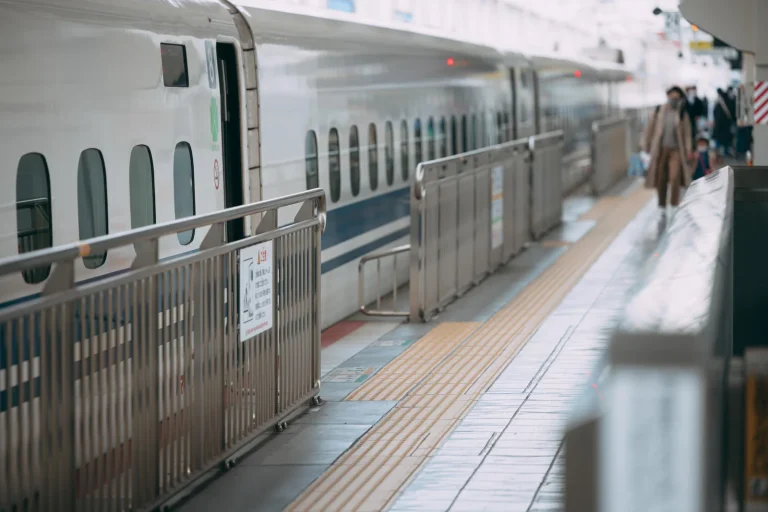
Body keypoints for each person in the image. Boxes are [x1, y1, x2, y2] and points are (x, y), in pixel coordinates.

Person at [642, 86, 693, 214]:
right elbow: (650, 128)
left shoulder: (682, 114)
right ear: (668, 96)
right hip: (660, 149)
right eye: (672, 97)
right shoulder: (659, 111)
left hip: (676, 150)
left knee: (675, 176)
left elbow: (687, 133)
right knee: (661, 177)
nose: (674, 100)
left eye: (677, 98)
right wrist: (646, 144)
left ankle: (674, 204)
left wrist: (688, 149)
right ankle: (661, 204)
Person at [713, 88, 734, 156]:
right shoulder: (729, 101)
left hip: (720, 125)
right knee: (725, 140)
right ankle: (725, 152)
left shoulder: (719, 103)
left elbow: (715, 113)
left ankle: (717, 152)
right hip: (726, 125)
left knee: (719, 139)